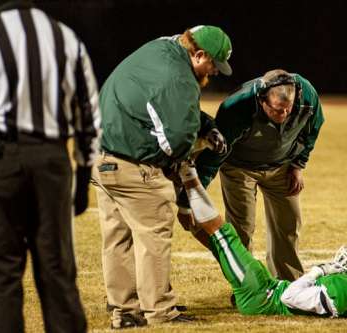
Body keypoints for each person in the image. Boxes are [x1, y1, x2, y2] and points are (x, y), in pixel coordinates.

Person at [91, 25, 232, 329]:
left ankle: (124, 309)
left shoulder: (158, 49)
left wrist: (205, 124)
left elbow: (160, 103)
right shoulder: (180, 78)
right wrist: (185, 165)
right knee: (153, 234)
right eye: (213, 64)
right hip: (134, 163)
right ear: (199, 54)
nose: (215, 72)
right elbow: (177, 138)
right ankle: (159, 311)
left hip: (102, 157)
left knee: (118, 237)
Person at [0, 0, 99, 332]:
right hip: (52, 161)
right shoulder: (65, 36)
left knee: (1, 274)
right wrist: (84, 174)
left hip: (0, 159)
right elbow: (88, 112)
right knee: (57, 271)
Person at [176, 167, 347, 317]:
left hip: (262, 297)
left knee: (225, 236)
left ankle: (187, 175)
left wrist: (318, 271)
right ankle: (193, 218)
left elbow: (289, 297)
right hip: (270, 289)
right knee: (224, 244)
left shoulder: (343, 292)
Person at [191, 69, 325, 281]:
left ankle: (289, 284)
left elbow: (312, 130)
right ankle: (247, 284)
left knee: (288, 225)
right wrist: (196, 194)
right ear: (261, 99)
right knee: (241, 229)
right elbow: (215, 152)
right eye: (276, 110)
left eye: (287, 110)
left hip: (281, 167)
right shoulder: (236, 107)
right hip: (239, 168)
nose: (282, 116)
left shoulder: (307, 95)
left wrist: (298, 165)